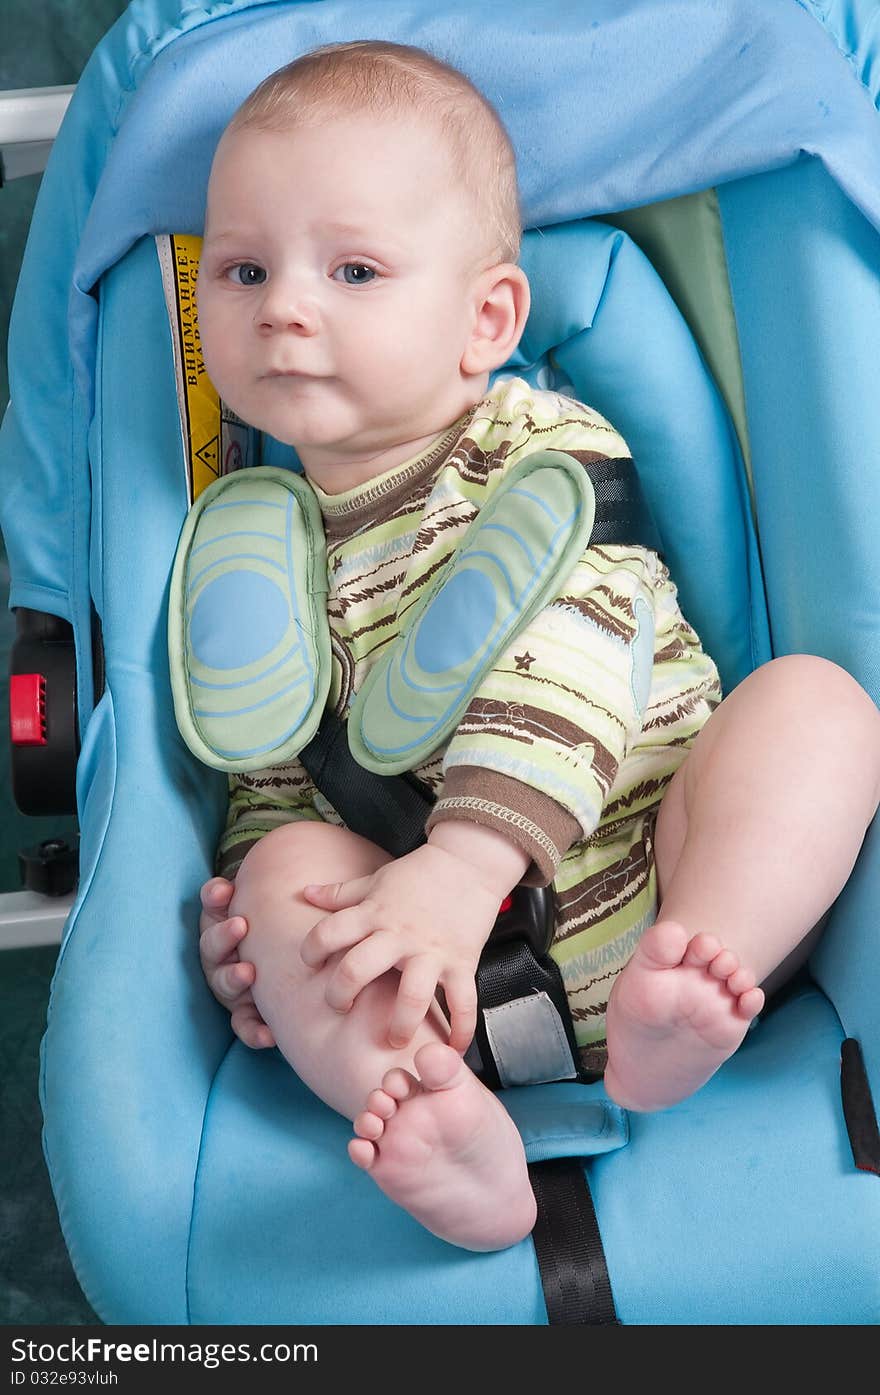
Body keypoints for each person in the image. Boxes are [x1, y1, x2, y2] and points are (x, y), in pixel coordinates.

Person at [191, 39, 880, 1252]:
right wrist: (255, 931)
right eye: (243, 270)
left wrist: (470, 864)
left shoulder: (535, 455)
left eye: (353, 269)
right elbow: (273, 771)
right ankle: (438, 1122)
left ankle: (693, 984)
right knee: (281, 865)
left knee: (816, 707)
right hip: (427, 979)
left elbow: (580, 639)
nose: (285, 306)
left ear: (486, 319)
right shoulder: (242, 545)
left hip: (657, 866)